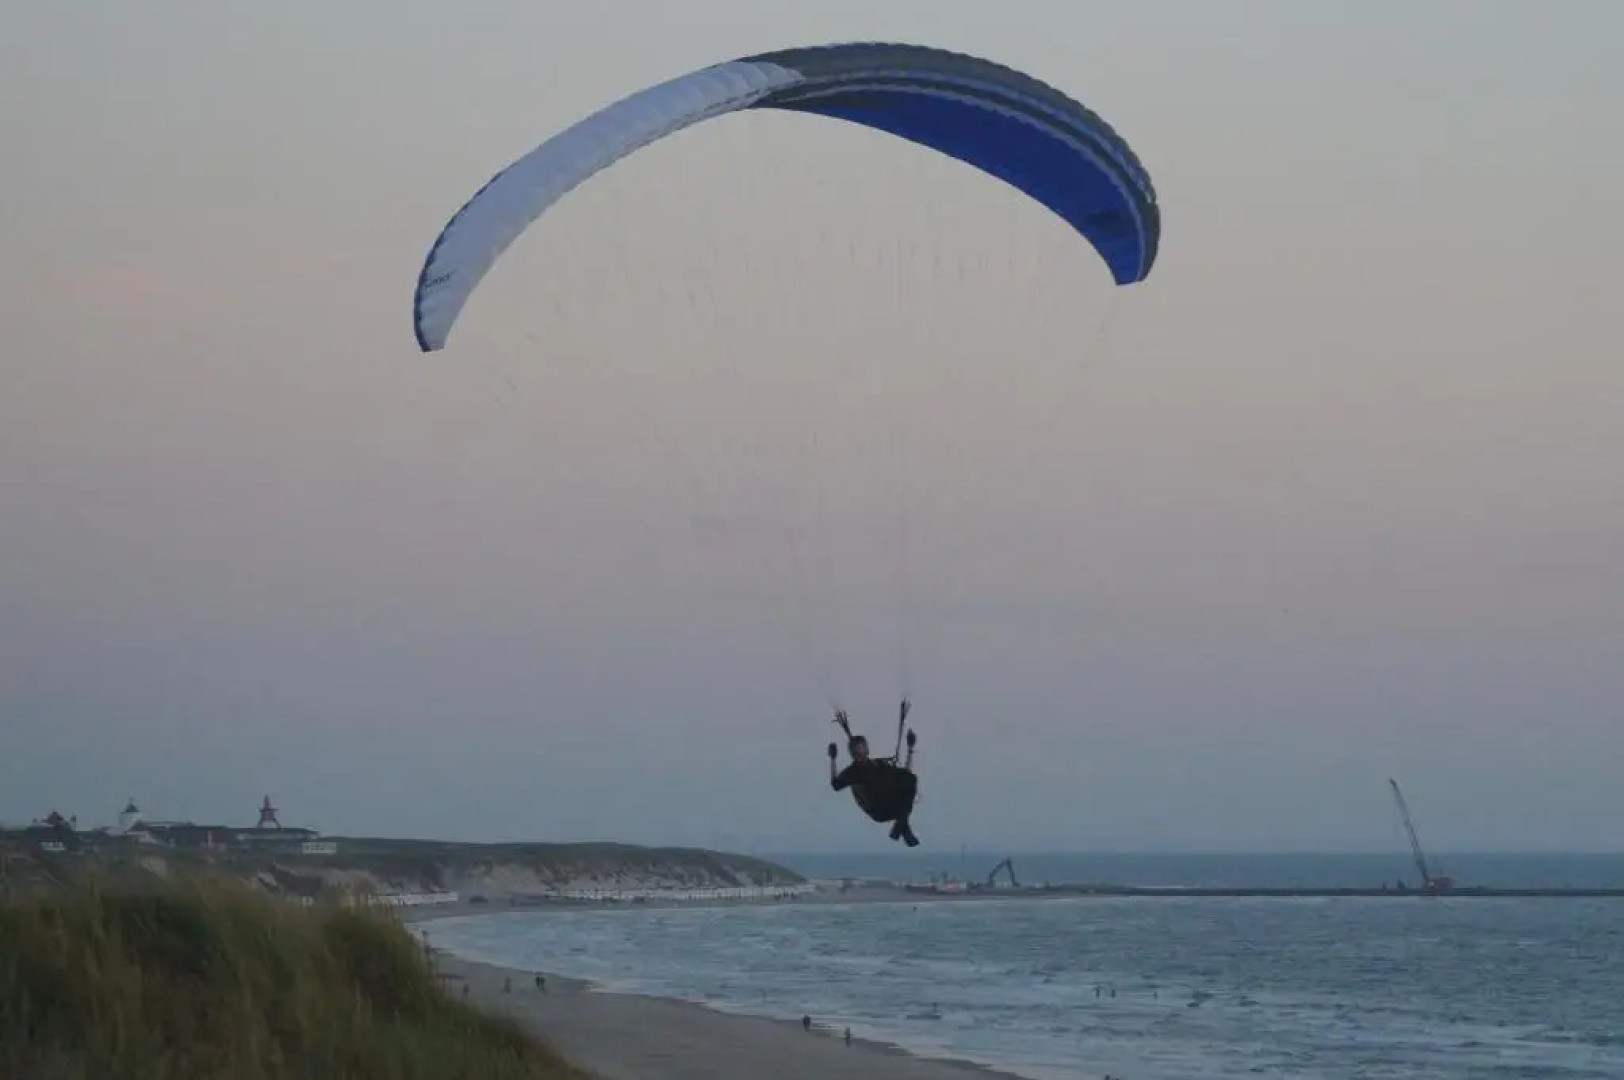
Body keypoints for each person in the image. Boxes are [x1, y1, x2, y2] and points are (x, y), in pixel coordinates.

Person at [829, 701, 920, 846]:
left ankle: (902, 828)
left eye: (861, 750)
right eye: (855, 752)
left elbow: (907, 776)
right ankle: (902, 828)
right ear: (852, 754)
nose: (858, 754)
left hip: (890, 805)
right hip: (877, 809)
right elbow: (835, 785)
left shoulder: (880, 765)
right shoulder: (853, 772)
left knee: (910, 782)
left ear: (866, 750)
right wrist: (833, 759)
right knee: (902, 793)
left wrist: (910, 748)